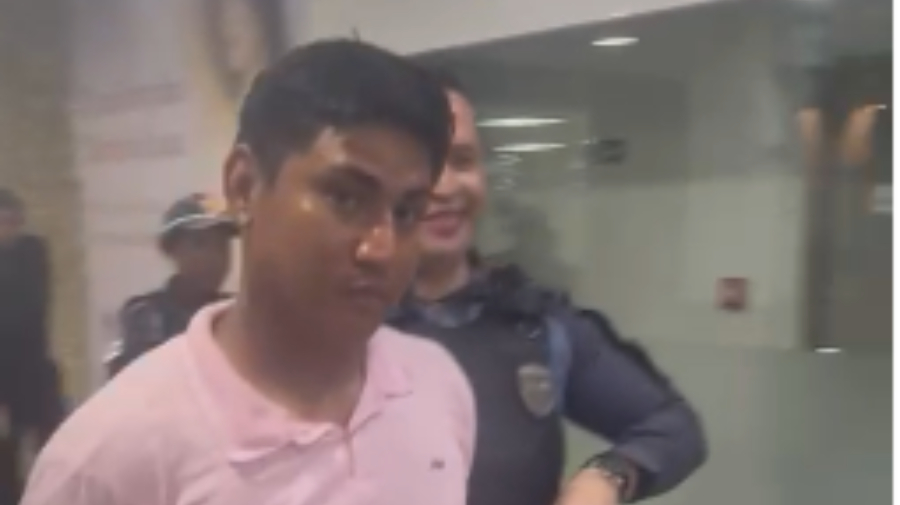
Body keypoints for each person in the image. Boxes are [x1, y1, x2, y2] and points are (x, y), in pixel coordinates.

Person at [21, 40, 475, 505]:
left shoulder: (437, 385)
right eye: (345, 199)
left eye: (406, 212)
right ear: (244, 186)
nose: (381, 249)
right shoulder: (110, 459)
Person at [387, 74, 707, 505]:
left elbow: (672, 428)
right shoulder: (332, 330)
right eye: (422, 165)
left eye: (462, 160)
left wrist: (606, 478)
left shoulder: (537, 326)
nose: (445, 187)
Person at [105, 193, 237, 377]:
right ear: (172, 250)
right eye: (200, 244)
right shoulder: (146, 315)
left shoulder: (236, 313)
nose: (214, 257)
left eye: (222, 246)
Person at [0, 188, 62, 504]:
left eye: (12, 220)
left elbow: (30, 308)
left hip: (32, 366)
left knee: (45, 446)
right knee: (7, 454)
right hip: (5, 370)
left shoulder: (31, 251)